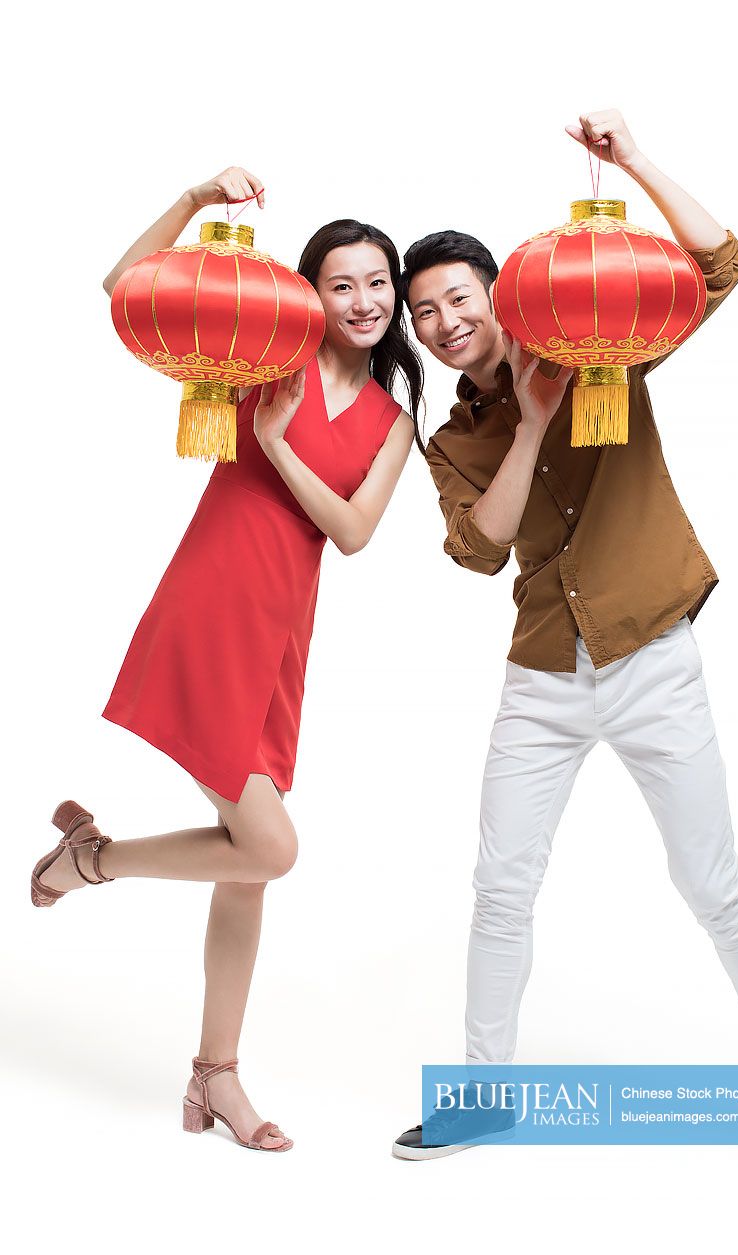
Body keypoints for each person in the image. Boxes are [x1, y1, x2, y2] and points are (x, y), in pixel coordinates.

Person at [392, 111, 738, 1169]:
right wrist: (530, 423)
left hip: (653, 657)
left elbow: (721, 264)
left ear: (497, 294)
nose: (443, 320)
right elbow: (480, 550)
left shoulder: (598, 344)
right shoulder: (452, 440)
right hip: (542, 677)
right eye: (422, 310)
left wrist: (629, 162)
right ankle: (485, 1094)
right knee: (502, 886)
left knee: (711, 879)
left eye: (457, 298)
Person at [31, 165, 422, 1154]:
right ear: (308, 293)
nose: (366, 300)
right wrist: (198, 198)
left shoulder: (395, 419)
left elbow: (353, 531)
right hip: (209, 610)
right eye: (343, 283)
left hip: (282, 637)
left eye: (379, 281)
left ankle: (216, 1078)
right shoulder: (265, 357)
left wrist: (282, 448)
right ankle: (92, 861)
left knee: (247, 869)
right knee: (271, 846)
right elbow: (129, 286)